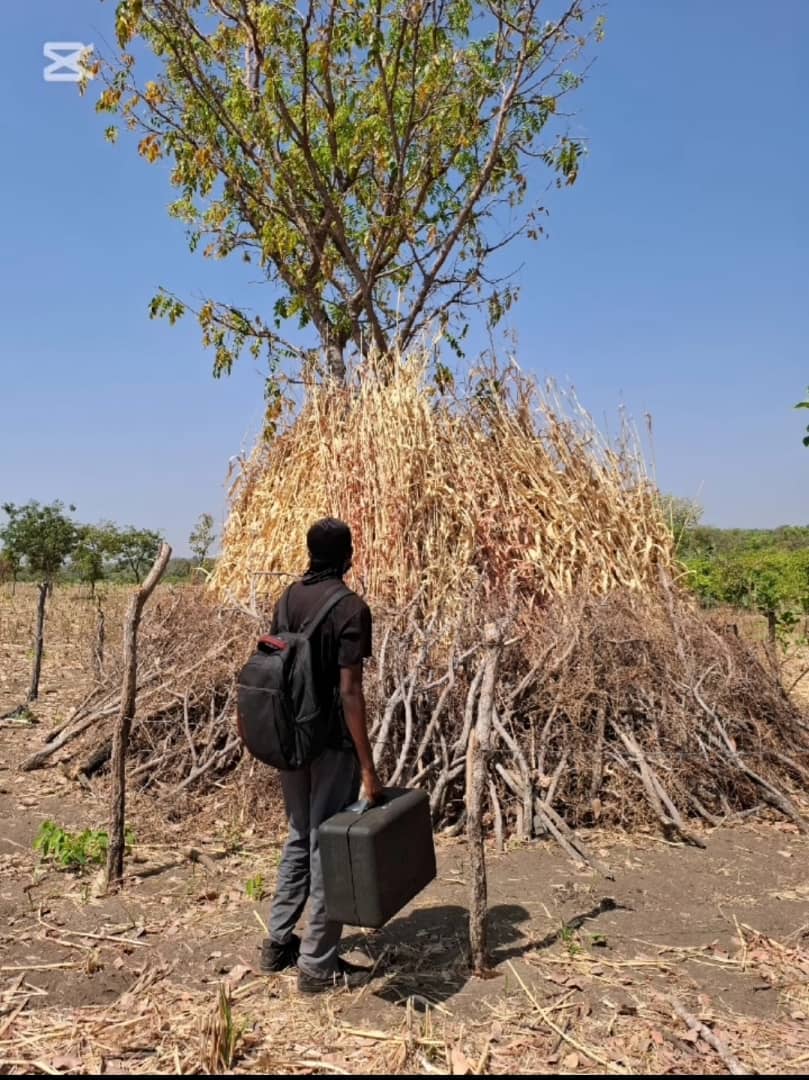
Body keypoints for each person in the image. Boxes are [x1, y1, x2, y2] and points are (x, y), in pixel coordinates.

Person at [259, 517, 384, 994]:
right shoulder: (351, 608)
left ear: (310, 553)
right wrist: (368, 766)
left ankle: (277, 943)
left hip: (291, 740)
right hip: (330, 742)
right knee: (327, 844)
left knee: (299, 833)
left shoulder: (288, 597)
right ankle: (316, 967)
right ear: (348, 554)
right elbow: (350, 692)